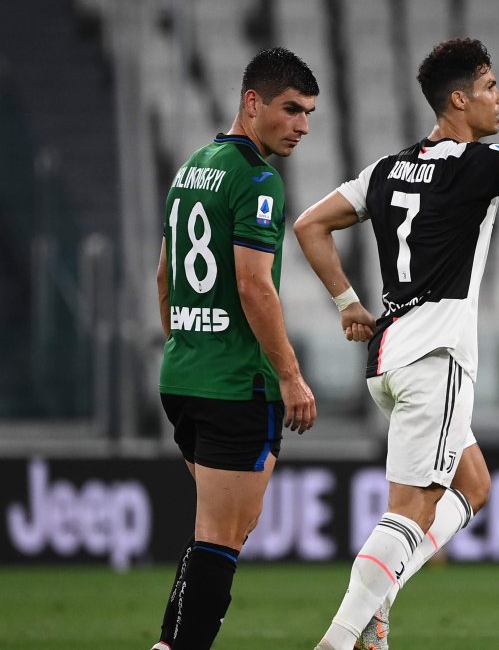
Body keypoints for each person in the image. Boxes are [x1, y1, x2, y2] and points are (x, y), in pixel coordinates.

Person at [294, 37, 499, 650]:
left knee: (473, 485)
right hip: (435, 356)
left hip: (389, 358)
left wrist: (349, 305)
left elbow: (310, 225)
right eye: (489, 87)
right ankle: (340, 641)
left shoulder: (389, 169)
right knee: (407, 516)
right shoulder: (471, 165)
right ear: (458, 99)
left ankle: (376, 615)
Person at [151, 47, 319, 650]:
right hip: (234, 385)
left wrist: (186, 341)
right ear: (252, 103)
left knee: (218, 529)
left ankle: (168, 645)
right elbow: (254, 285)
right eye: (290, 110)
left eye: (309, 114)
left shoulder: (192, 167)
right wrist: (292, 376)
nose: (301, 126)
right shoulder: (256, 177)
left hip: (184, 378)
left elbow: (167, 273)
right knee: (223, 537)